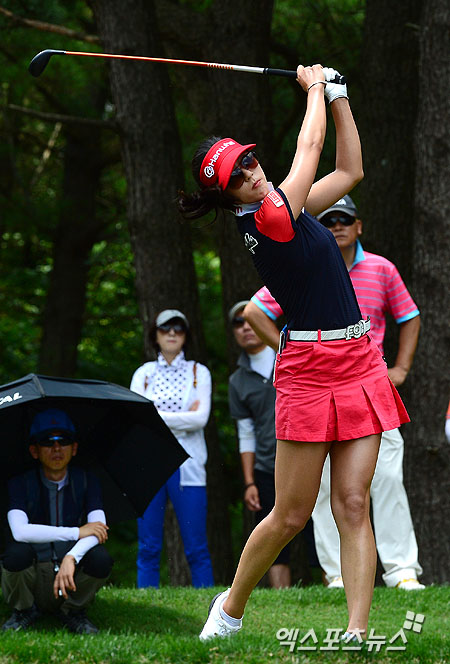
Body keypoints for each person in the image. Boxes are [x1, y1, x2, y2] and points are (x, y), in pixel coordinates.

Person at [178, 64, 409, 642]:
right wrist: (312, 90)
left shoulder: (293, 207)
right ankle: (230, 608)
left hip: (357, 360)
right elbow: (309, 147)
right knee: (290, 514)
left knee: (353, 502)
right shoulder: (272, 216)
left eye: (250, 162)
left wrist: (340, 97)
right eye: (237, 177)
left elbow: (349, 170)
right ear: (225, 196)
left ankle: (356, 634)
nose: (251, 175)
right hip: (307, 372)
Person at [245, 194, 425, 591]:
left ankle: (402, 572)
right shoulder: (305, 265)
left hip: (368, 386)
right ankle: (336, 575)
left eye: (346, 219)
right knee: (323, 488)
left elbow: (409, 317)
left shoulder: (381, 268)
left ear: (359, 225)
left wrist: (402, 368)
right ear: (321, 229)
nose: (338, 226)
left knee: (387, 481)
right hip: (316, 387)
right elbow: (255, 312)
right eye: (330, 220)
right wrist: (289, 350)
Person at [1, 409, 113, 634]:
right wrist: (75, 532)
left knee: (101, 558)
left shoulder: (87, 481)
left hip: (70, 578)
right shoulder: (19, 484)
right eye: (47, 442)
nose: (56, 448)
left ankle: (73, 611)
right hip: (33, 574)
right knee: (15, 554)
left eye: (64, 441)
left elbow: (98, 529)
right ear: (34, 450)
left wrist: (72, 557)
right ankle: (24, 611)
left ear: (74, 448)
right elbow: (20, 532)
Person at [130, 309, 214, 588]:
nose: (172, 334)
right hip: (149, 466)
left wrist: (155, 415)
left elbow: (200, 419)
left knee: (196, 547)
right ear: (155, 334)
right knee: (149, 546)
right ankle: (146, 608)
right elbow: (136, 420)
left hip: (188, 465)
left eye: (178, 329)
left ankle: (210, 610)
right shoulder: (143, 374)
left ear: (186, 335)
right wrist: (183, 419)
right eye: (165, 328)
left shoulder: (198, 372)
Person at [228, 300, 291, 589]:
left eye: (248, 319)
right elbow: (245, 434)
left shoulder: (291, 355)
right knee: (273, 531)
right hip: (267, 466)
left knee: (322, 526)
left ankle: (334, 585)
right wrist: (249, 481)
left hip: (313, 455)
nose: (245, 327)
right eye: (237, 323)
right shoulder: (237, 381)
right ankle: (283, 597)